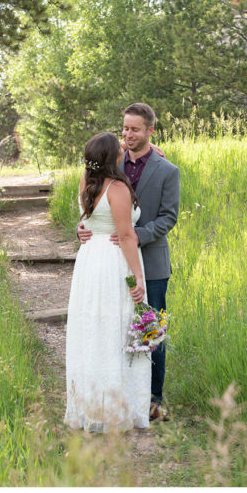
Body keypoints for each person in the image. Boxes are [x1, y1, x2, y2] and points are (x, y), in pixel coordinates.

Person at [78, 102, 180, 422]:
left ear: (151, 131)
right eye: (124, 128)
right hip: (113, 264)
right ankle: (122, 395)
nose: (128, 134)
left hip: (151, 260)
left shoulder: (167, 170)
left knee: (150, 331)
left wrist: (136, 234)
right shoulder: (111, 162)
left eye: (135, 129)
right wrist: (83, 226)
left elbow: (168, 217)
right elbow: (94, 200)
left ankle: (154, 400)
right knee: (117, 328)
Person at [65, 132, 150, 432]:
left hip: (90, 262)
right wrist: (137, 277)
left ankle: (92, 405)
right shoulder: (117, 188)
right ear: (111, 156)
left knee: (93, 329)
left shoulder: (86, 182)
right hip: (114, 261)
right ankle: (118, 408)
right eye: (119, 146)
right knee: (118, 327)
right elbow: (126, 236)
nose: (123, 147)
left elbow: (89, 220)